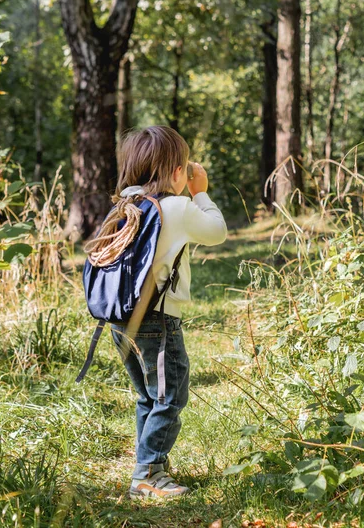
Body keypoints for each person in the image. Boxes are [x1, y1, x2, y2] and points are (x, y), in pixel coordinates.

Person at [110, 126, 228, 499]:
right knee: (171, 396)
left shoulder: (124, 204)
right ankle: (146, 476)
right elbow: (217, 232)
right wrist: (201, 192)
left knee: (149, 395)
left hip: (120, 319)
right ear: (177, 172)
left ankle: (152, 464)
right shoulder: (176, 207)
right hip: (158, 320)